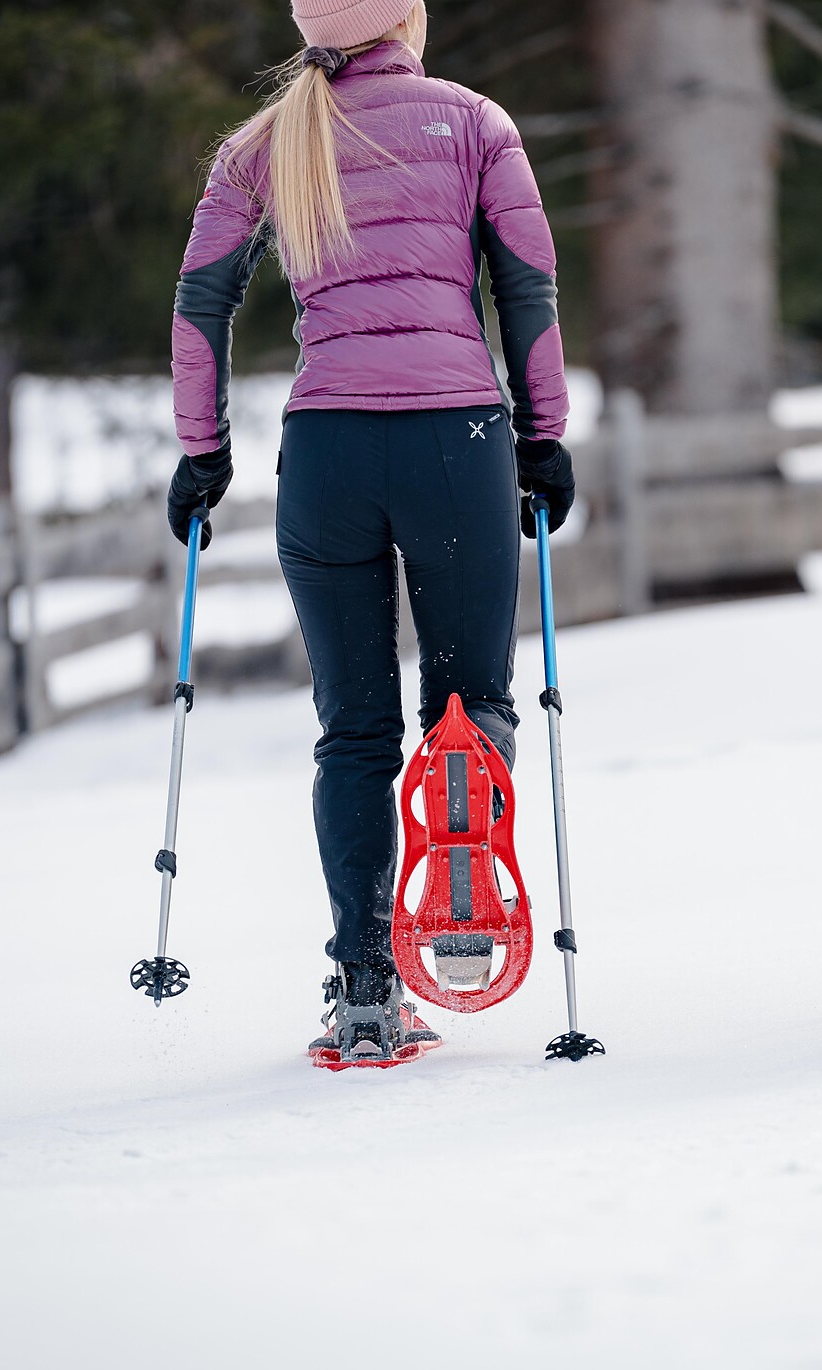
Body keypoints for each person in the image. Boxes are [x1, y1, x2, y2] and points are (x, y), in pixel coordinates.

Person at [166, 0, 574, 1062]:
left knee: (353, 732)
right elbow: (525, 290)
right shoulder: (475, 122)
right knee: (468, 696)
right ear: (405, 20)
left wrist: (202, 451)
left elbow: (199, 302)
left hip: (329, 453)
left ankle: (362, 986)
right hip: (456, 441)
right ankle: (464, 806)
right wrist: (544, 438)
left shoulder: (266, 143)